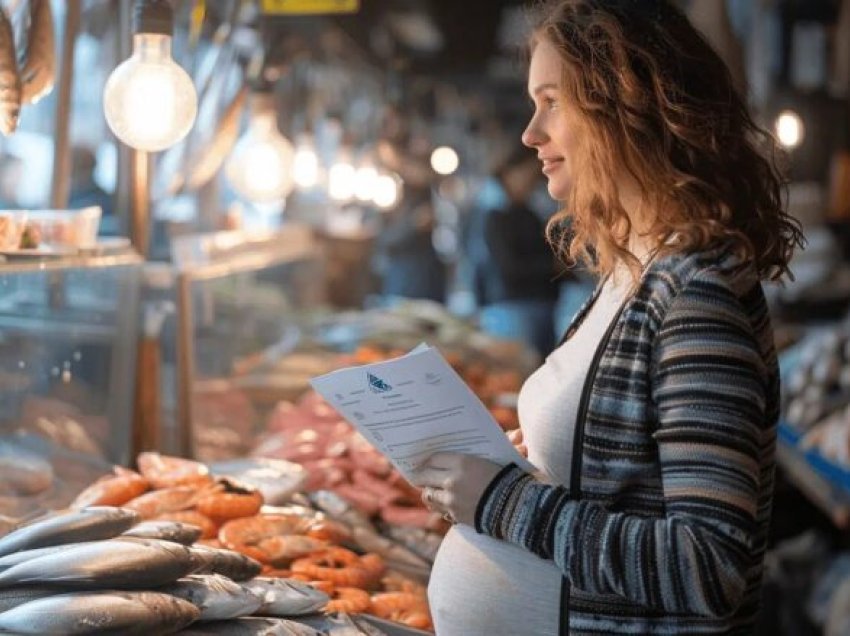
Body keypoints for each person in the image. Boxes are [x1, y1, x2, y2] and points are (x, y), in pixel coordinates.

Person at [412, 1, 805, 634]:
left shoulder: (696, 296)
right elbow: (624, 485)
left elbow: (709, 568)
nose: (530, 133)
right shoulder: (633, 273)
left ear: (628, 107)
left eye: (552, 101)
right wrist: (539, 469)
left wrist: (503, 500)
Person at [476, 145, 560, 356]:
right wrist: (553, 267)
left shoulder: (529, 211)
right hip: (515, 308)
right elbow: (510, 267)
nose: (533, 181)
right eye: (528, 173)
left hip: (541, 304)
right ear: (509, 172)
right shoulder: (495, 214)